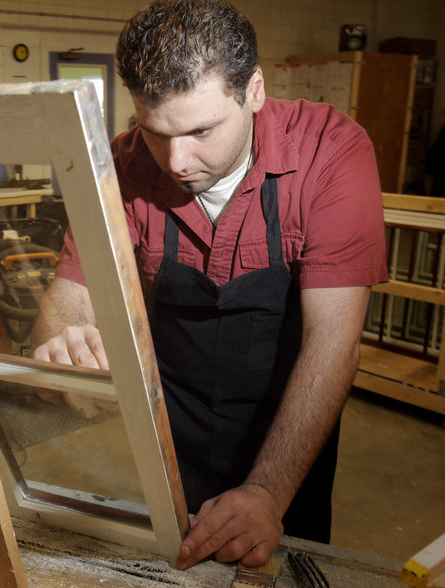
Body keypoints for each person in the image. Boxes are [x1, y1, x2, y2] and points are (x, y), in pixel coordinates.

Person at [31, 0, 388, 571]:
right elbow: (71, 291)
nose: (177, 160)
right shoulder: (121, 168)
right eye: (154, 132)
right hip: (175, 433)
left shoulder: (331, 152)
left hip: (290, 422)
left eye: (201, 130)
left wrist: (268, 492)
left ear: (253, 90)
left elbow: (334, 342)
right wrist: (62, 336)